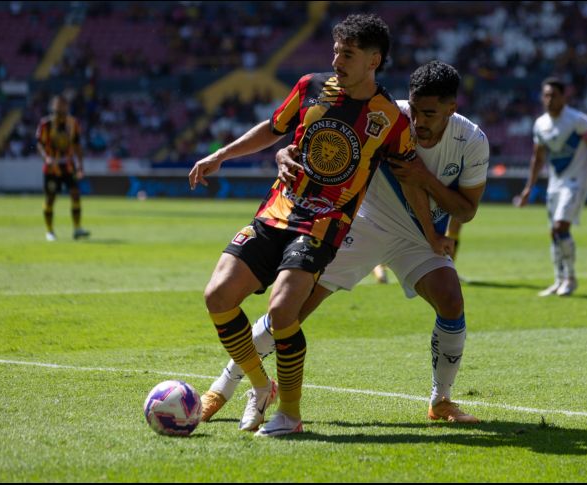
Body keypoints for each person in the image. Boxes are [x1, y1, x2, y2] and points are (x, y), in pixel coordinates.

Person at [187, 14, 445, 437]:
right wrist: (221, 155)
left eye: (348, 53)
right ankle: (259, 385)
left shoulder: (390, 119)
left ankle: (289, 414)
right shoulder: (310, 87)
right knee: (217, 296)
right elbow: (274, 129)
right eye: (335, 51)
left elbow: (410, 177)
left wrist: (433, 234)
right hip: (277, 211)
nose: (337, 60)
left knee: (283, 309)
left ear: (373, 60)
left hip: (323, 225)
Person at [515, 77, 587, 297]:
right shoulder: (540, 124)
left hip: (575, 182)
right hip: (555, 184)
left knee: (560, 227)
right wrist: (528, 188)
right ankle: (558, 279)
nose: (549, 99)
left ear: (564, 97)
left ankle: (571, 278)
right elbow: (537, 158)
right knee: (553, 232)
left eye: (553, 95)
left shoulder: (578, 121)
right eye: (545, 95)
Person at [36, 94, 90, 241]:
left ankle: (77, 228)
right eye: (58, 104)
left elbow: (77, 146)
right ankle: (50, 231)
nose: (61, 107)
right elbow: (39, 144)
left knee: (75, 194)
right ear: (53, 106)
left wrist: (80, 166)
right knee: (50, 198)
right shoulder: (45, 124)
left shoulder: (73, 123)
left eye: (63, 104)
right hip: (52, 166)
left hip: (68, 165)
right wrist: (45, 157)